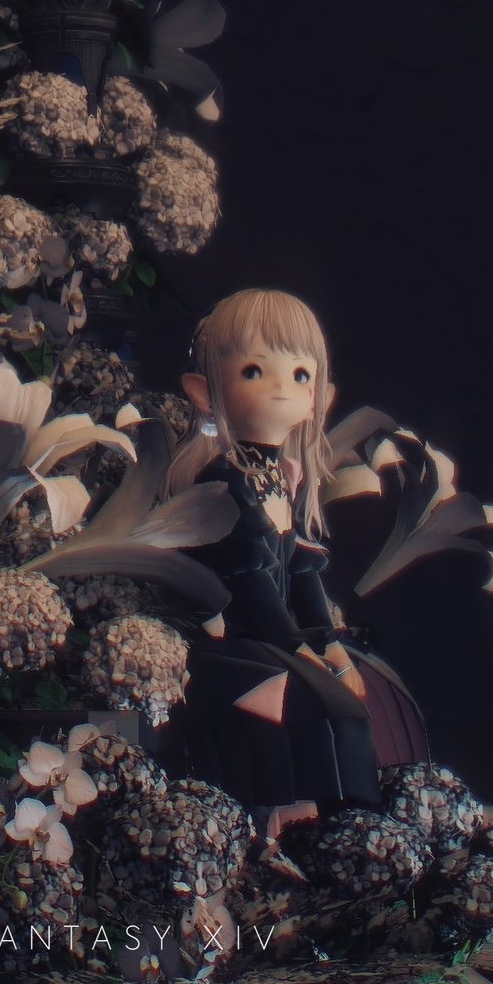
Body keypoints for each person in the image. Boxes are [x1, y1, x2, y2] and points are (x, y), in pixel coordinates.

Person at [166, 287, 428, 831]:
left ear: (319, 397)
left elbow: (302, 574)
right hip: (233, 644)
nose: (282, 387)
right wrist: (302, 650)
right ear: (204, 392)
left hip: (278, 638)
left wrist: (329, 644)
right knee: (313, 706)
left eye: (300, 374)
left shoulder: (283, 479)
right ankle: (290, 818)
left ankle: (348, 824)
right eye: (254, 371)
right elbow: (250, 585)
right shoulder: (224, 483)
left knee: (353, 702)